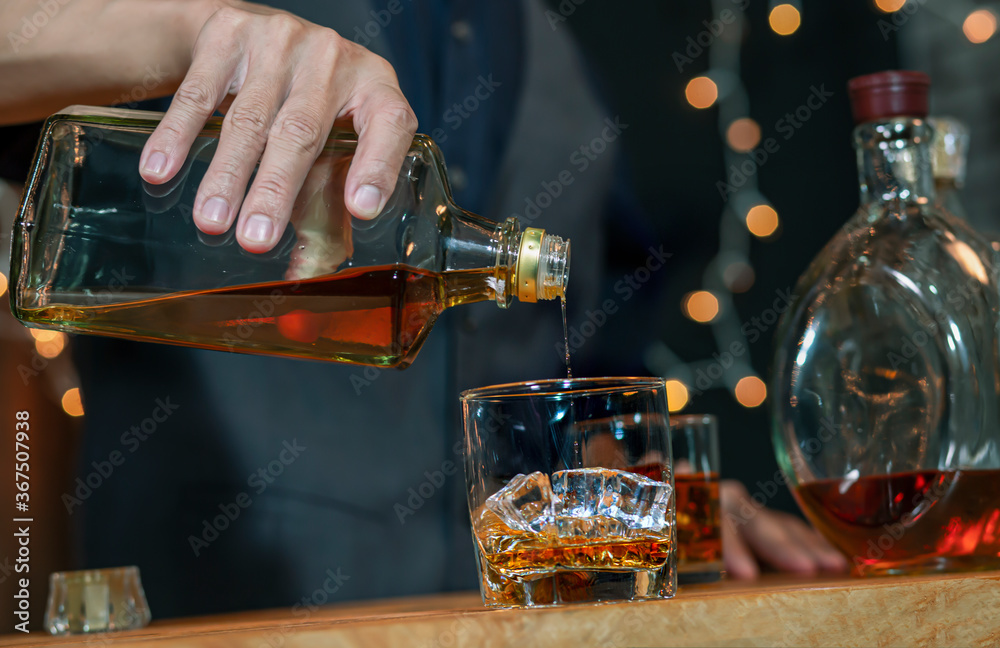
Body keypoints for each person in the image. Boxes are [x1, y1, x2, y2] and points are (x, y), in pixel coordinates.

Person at [1, 0, 845, 617]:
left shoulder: (565, 45)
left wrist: (660, 498)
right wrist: (192, 32)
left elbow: (554, 375)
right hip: (213, 604)